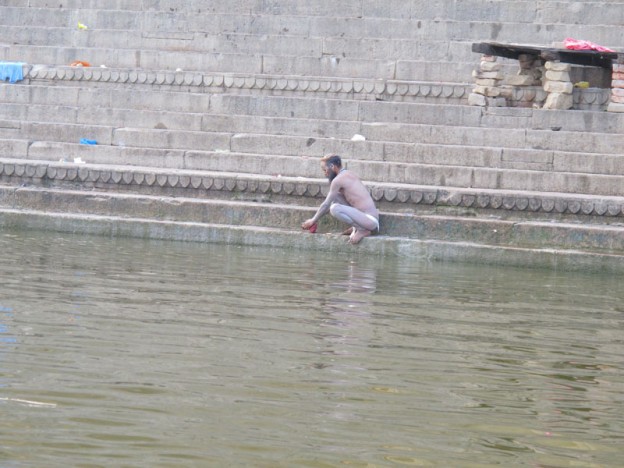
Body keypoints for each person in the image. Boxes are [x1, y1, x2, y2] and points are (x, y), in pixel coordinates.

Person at [302, 155, 379, 244]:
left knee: (335, 208)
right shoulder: (348, 173)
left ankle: (362, 230)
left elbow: (326, 204)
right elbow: (329, 203)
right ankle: (357, 227)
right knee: (336, 197)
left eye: (325, 170)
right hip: (366, 217)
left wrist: (313, 220)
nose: (325, 173)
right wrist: (315, 220)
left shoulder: (338, 180)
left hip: (369, 220)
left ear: (332, 167)